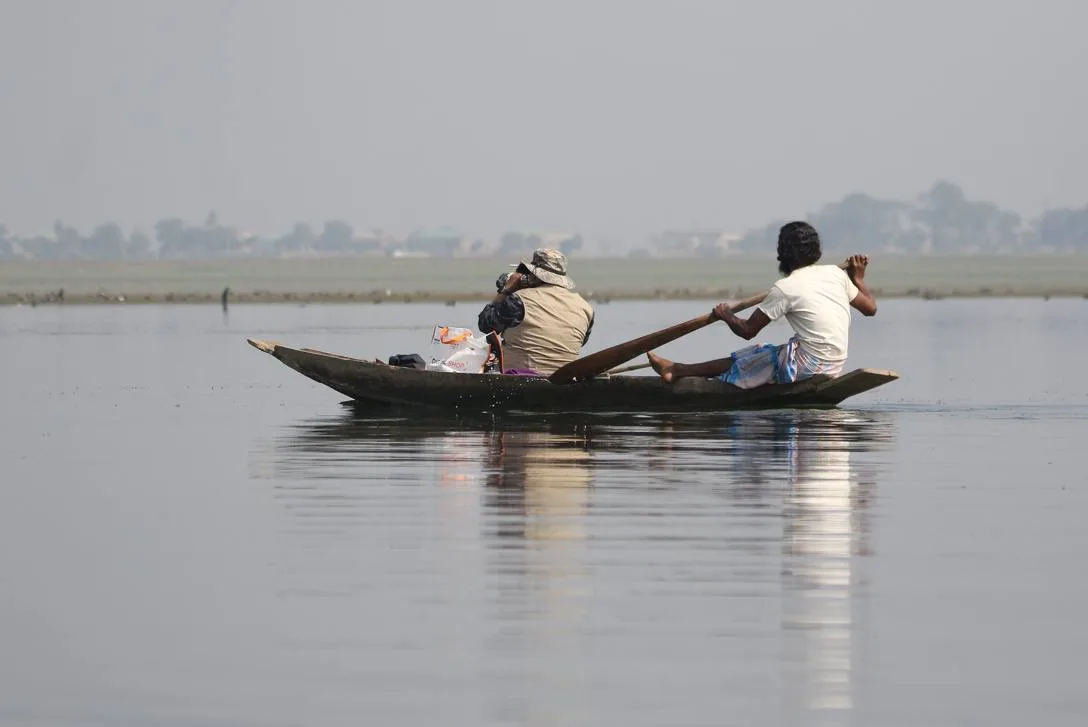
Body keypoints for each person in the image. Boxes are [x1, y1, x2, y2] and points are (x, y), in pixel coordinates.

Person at [647, 221, 877, 388]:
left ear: (782, 255)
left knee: (755, 357)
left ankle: (677, 370)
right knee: (762, 353)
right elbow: (870, 308)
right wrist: (858, 279)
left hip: (809, 366)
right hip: (835, 364)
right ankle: (677, 369)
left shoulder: (786, 288)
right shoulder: (835, 275)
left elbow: (747, 331)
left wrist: (726, 314)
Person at [478, 248, 595, 376]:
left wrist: (506, 290)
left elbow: (485, 325)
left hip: (520, 378)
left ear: (533, 274)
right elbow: (581, 342)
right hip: (565, 378)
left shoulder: (518, 300)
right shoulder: (586, 308)